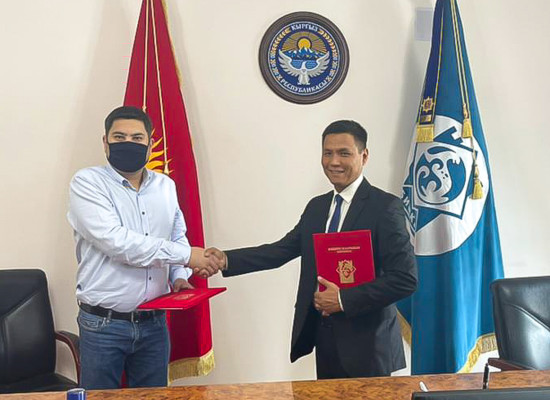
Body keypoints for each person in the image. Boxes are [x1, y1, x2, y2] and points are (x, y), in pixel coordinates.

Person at [197, 120, 417, 379]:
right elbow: (281, 251)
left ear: (364, 155)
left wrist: (343, 299)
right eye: (327, 153)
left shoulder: (385, 207)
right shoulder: (317, 207)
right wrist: (225, 259)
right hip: (325, 338)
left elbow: (404, 279)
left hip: (369, 344)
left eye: (344, 153)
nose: (334, 161)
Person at [67, 106, 220, 389]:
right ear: (105, 142)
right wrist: (189, 256)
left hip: (154, 324)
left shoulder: (165, 185)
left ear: (150, 144)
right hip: (104, 325)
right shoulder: (87, 183)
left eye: (137, 138)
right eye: (119, 137)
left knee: (153, 396)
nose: (128, 143)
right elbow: (118, 243)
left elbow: (177, 234)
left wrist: (179, 276)